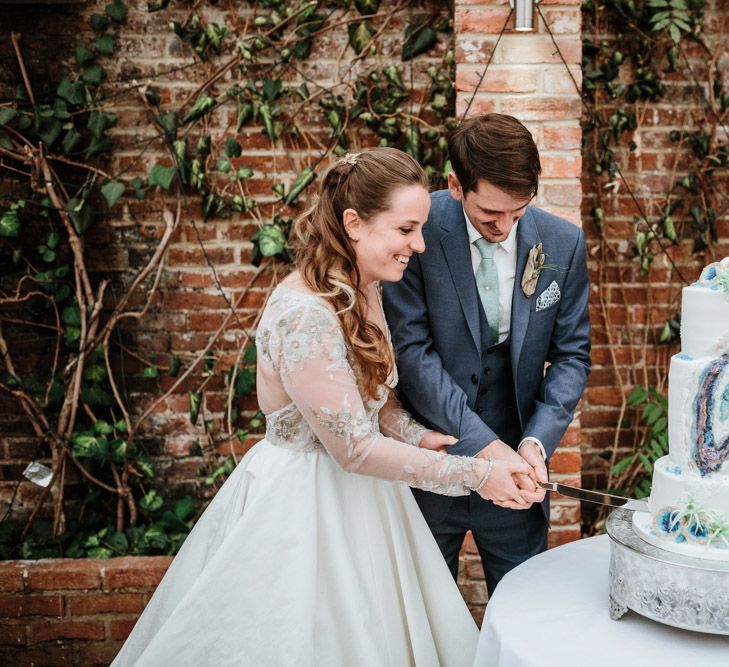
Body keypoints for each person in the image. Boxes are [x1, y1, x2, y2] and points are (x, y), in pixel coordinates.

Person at [111, 147, 533, 666]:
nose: (418, 245)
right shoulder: (303, 313)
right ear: (353, 222)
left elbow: (372, 409)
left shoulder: (367, 289)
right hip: (303, 508)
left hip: (372, 505)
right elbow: (352, 448)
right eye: (405, 230)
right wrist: (474, 473)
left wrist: (418, 435)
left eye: (421, 229)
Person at [383, 114, 591, 594]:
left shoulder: (562, 243)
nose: (505, 227)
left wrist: (535, 444)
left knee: (524, 610)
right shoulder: (417, 233)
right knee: (422, 612)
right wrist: (486, 449)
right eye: (490, 215)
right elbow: (412, 354)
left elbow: (572, 356)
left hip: (519, 477)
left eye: (518, 213)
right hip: (429, 471)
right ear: (456, 185)